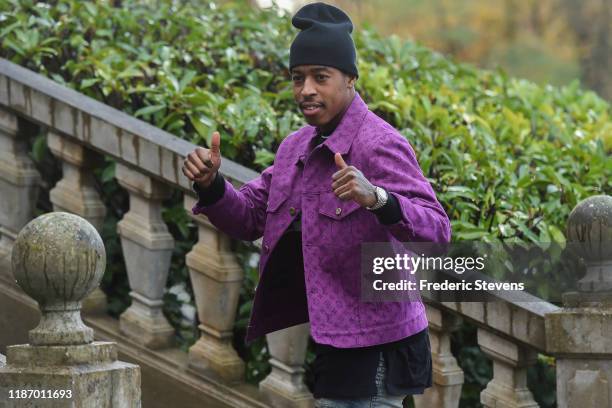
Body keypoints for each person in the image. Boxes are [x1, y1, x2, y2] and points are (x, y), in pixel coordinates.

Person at [182, 2, 451, 406]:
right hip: (332, 342)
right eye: (298, 78)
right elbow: (252, 216)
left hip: (381, 344)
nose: (306, 89)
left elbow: (437, 229)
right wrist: (210, 185)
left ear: (349, 80)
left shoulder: (378, 144)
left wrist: (377, 198)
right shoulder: (295, 150)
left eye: (320, 77)